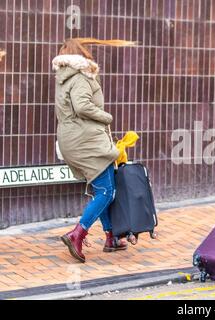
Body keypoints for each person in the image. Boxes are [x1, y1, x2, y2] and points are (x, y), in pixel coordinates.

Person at [54, 38, 136, 263]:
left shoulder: (63, 79)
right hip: (87, 142)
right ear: (82, 56)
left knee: (102, 189)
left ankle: (111, 238)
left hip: (72, 140)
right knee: (107, 192)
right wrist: (106, 117)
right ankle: (77, 233)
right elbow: (82, 106)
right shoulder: (80, 77)